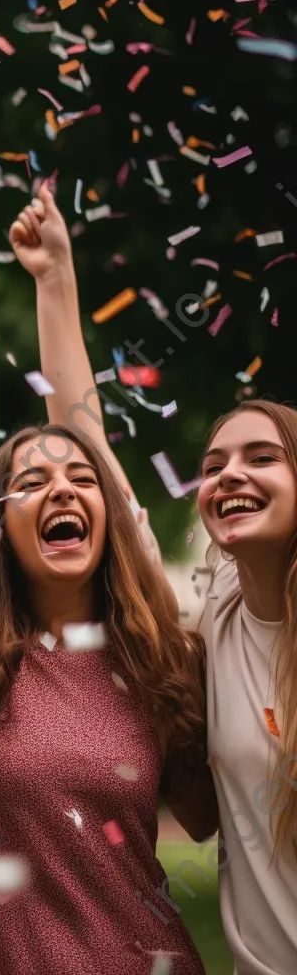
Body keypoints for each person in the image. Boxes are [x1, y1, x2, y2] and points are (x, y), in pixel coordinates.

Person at [0, 185, 216, 974]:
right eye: (32, 482)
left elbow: (203, 817)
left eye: (80, 480)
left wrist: (57, 281)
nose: (61, 488)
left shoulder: (156, 653)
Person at [197, 400, 297, 975]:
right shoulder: (220, 603)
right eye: (213, 467)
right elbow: (94, 453)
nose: (230, 474)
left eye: (263, 458)